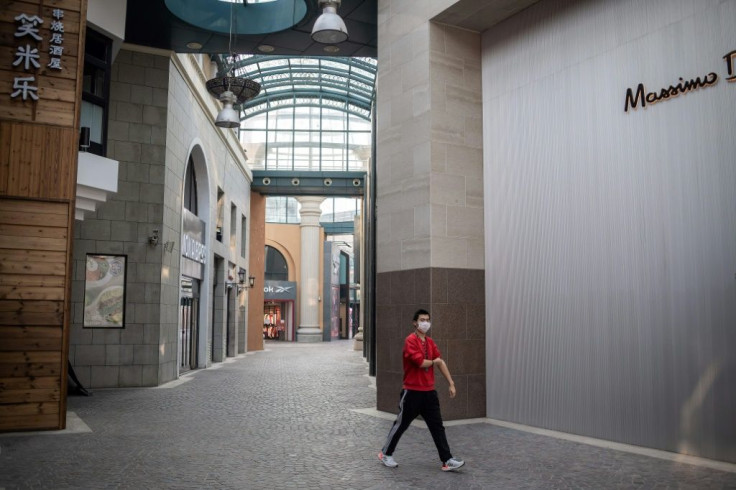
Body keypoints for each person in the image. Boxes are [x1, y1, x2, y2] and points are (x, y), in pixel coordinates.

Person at [378, 309, 465, 472]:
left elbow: (441, 362)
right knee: (401, 424)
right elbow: (420, 362)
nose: (425, 323)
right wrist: (434, 361)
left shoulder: (430, 342)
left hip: (429, 393)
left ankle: (447, 460)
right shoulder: (410, 341)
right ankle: (385, 453)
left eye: (427, 320)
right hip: (412, 392)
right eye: (422, 320)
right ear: (415, 323)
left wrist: (451, 383)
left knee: (437, 427)